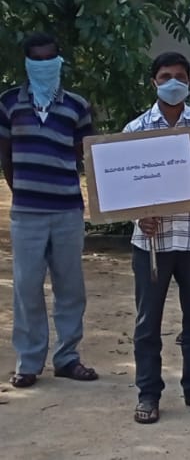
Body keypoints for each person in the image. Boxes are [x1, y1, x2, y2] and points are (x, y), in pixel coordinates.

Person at [126, 52, 190, 424]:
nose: (174, 82)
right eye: (166, 76)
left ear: (189, 82)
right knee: (147, 323)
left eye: (180, 76)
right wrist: (138, 215)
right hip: (152, 244)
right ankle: (148, 394)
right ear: (154, 81)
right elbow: (123, 190)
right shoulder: (135, 130)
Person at [1, 33, 98, 388]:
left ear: (59, 61)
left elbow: (87, 154)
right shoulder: (9, 103)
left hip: (68, 211)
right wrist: (22, 191)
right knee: (26, 288)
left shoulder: (77, 105)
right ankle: (28, 362)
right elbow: (6, 155)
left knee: (70, 287)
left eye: (50, 59)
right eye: (36, 60)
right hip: (26, 212)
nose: (44, 65)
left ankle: (68, 357)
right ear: (27, 63)